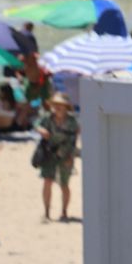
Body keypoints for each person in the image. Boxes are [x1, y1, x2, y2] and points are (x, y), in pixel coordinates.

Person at [37, 93, 80, 222]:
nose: (57, 107)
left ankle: (64, 212)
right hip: (49, 153)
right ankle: (46, 212)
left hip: (66, 154)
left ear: (66, 107)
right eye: (55, 105)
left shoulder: (72, 121)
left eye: (60, 105)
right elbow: (37, 124)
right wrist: (41, 130)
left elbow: (73, 140)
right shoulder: (48, 117)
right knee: (47, 181)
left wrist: (70, 157)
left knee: (64, 184)